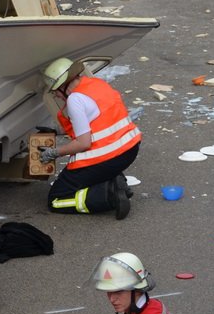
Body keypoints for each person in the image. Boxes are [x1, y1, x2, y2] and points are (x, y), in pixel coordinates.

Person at [37, 58, 140, 219]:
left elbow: (84, 143)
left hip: (107, 156)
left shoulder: (74, 100)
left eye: (55, 90)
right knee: (98, 171)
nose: (56, 94)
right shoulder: (96, 84)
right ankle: (115, 178)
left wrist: (54, 152)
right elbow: (97, 119)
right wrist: (57, 130)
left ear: (63, 86)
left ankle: (110, 194)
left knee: (56, 199)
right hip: (129, 149)